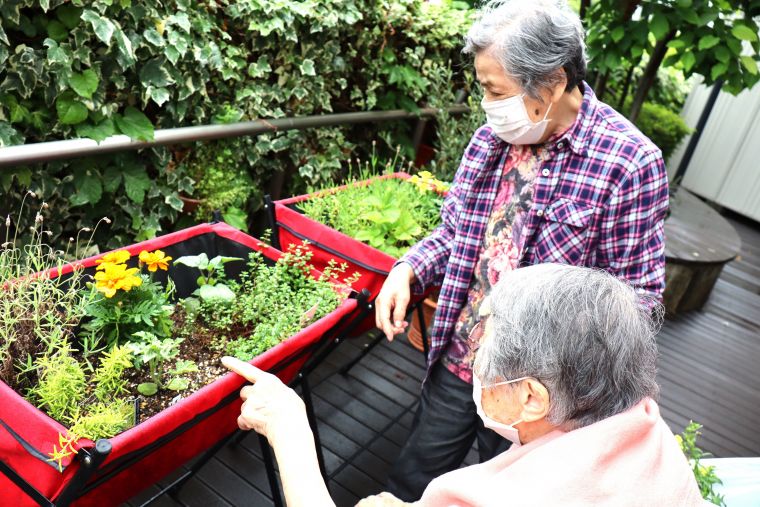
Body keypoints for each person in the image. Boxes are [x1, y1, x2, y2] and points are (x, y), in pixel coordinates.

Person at [374, 0, 669, 499]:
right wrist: (407, 269)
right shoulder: (495, 136)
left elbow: (638, 301)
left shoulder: (630, 162)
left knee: (506, 494)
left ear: (552, 83)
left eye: (495, 90)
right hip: (462, 352)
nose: (487, 104)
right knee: (414, 481)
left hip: (538, 392)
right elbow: (455, 233)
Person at [223, 264, 704, 506]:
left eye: (481, 343)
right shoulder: (648, 433)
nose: (472, 352)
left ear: (532, 397)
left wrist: (289, 426)